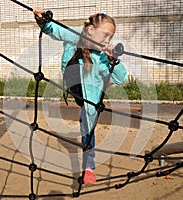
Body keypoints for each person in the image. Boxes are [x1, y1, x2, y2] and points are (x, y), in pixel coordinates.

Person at [33, 8, 127, 184]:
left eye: (110, 37)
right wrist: (42, 20)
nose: (107, 40)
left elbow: (121, 79)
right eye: (105, 35)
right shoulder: (75, 36)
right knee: (87, 120)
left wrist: (114, 60)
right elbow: (53, 29)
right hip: (74, 84)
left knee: (88, 126)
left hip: (92, 97)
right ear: (91, 29)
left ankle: (88, 167)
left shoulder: (104, 56)